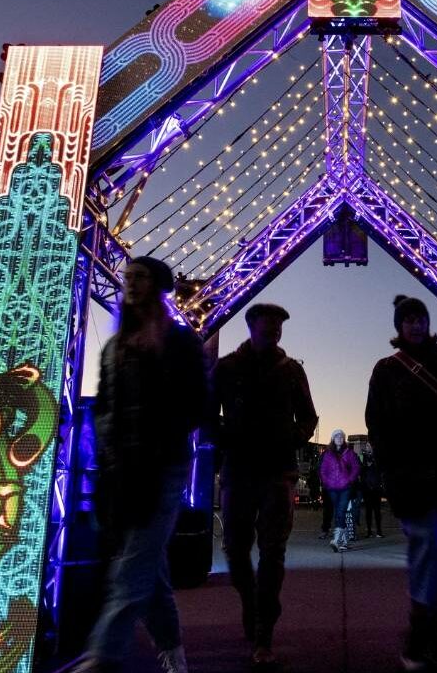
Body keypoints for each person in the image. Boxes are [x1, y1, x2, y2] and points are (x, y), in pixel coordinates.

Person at [82, 256, 208, 673]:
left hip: (163, 466)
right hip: (120, 470)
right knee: (149, 567)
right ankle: (173, 651)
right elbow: (104, 405)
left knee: (133, 564)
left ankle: (103, 656)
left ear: (157, 285)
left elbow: (196, 404)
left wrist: (163, 436)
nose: (130, 284)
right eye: (127, 277)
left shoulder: (179, 341)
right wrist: (105, 451)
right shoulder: (115, 348)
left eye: (140, 277)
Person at [364, 295, 437, 670]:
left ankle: (433, 632)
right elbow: (377, 424)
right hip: (411, 475)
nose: (416, 325)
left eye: (421, 319)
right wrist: (390, 468)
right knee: (428, 545)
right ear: (399, 326)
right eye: (409, 319)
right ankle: (421, 633)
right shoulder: (386, 370)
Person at [214, 303, 320, 668]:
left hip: (277, 472)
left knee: (273, 551)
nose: (274, 329)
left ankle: (263, 632)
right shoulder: (226, 367)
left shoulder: (291, 371)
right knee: (235, 548)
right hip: (239, 469)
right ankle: (251, 601)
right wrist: (227, 438)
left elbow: (308, 415)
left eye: (279, 325)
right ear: (251, 325)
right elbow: (208, 413)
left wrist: (292, 437)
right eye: (268, 323)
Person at [319, 429, 361, 552]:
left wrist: (350, 479)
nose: (339, 438)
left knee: (341, 512)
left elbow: (356, 467)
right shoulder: (327, 454)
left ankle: (336, 540)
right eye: (337, 436)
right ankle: (345, 540)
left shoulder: (349, 453)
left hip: (345, 487)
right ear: (333, 439)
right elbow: (323, 470)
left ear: (344, 439)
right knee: (338, 512)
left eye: (341, 437)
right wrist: (326, 482)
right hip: (332, 488)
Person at [360, 448, 385, 538]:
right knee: (368, 511)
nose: (368, 447)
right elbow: (361, 472)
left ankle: (379, 531)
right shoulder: (363, 458)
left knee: (377, 511)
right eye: (367, 445)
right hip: (367, 489)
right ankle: (369, 531)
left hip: (376, 489)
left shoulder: (377, 458)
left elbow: (381, 470)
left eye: (370, 445)